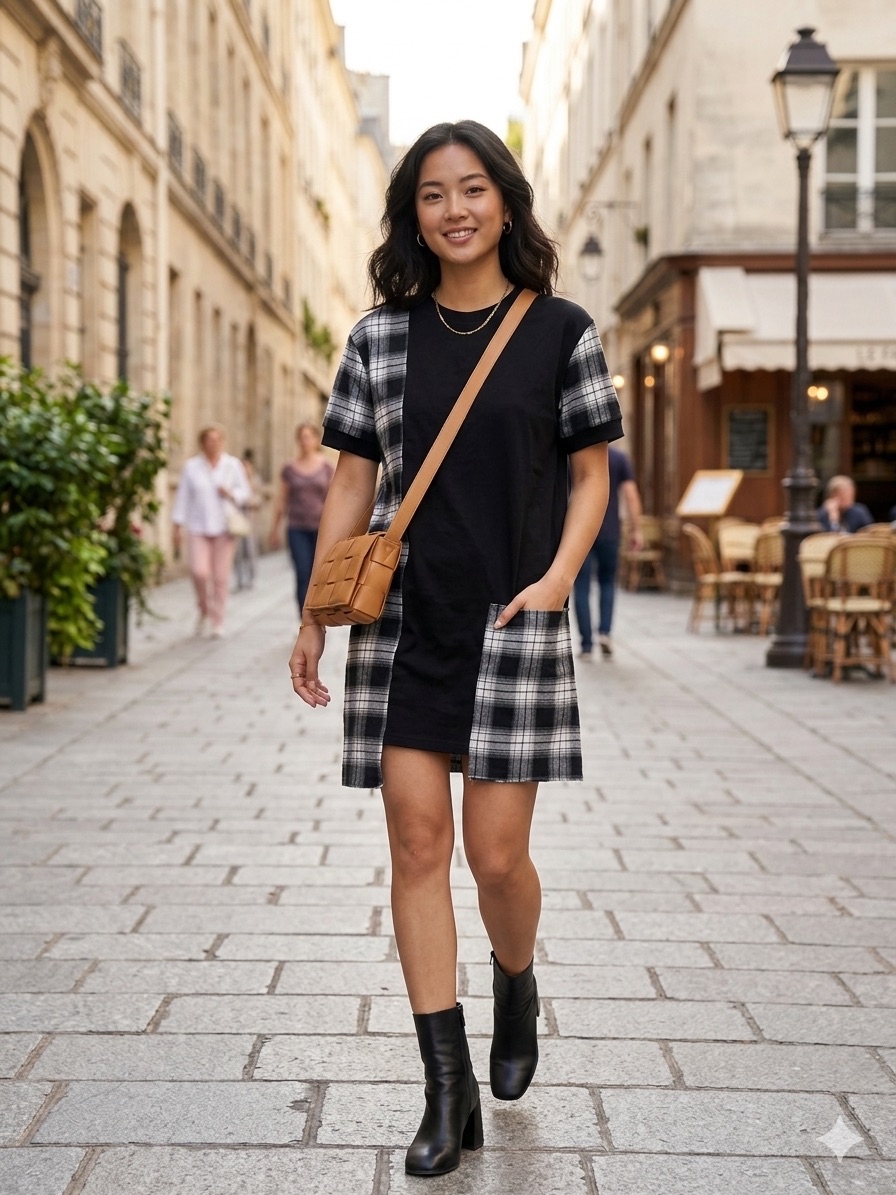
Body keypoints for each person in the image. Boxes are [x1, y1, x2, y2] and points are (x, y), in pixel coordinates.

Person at [287, 120, 621, 1177]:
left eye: (471, 189)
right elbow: (350, 478)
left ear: (504, 203)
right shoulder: (378, 338)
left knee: (495, 858)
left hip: (512, 614)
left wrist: (562, 576)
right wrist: (313, 612)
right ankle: (447, 1092)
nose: (453, 210)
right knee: (418, 850)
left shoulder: (560, 328)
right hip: (401, 625)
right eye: (432, 195)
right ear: (412, 216)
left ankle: (515, 978)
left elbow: (590, 474)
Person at [172, 425, 250, 638]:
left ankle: (218, 620)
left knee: (220, 578)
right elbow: (183, 497)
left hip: (224, 528)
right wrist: (176, 527)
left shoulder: (232, 465)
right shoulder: (192, 467)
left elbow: (245, 494)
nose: (212, 443)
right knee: (199, 572)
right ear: (202, 443)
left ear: (222, 442)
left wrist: (231, 493)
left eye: (216, 440)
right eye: (208, 440)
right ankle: (204, 609)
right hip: (198, 527)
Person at [573, 444, 643, 660]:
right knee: (607, 582)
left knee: (581, 585)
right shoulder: (618, 458)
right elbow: (630, 495)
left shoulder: (574, 456)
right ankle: (604, 633)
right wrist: (637, 529)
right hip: (610, 531)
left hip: (579, 529)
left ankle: (586, 644)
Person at [270, 424, 334, 614]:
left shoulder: (326, 466)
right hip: (296, 527)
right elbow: (282, 500)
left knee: (320, 574)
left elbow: (333, 500)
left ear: (316, 440)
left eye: (309, 437)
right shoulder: (289, 468)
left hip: (320, 528)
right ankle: (304, 617)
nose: (305, 441)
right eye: (302, 437)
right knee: (302, 571)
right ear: (298, 441)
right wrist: (274, 529)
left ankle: (318, 614)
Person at [233, 448, 263, 591]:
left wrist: (251, 501)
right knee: (237, 551)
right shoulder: (235, 482)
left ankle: (251, 578)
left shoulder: (255, 481)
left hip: (251, 519)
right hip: (238, 519)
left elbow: (259, 499)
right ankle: (239, 579)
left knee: (251, 550)